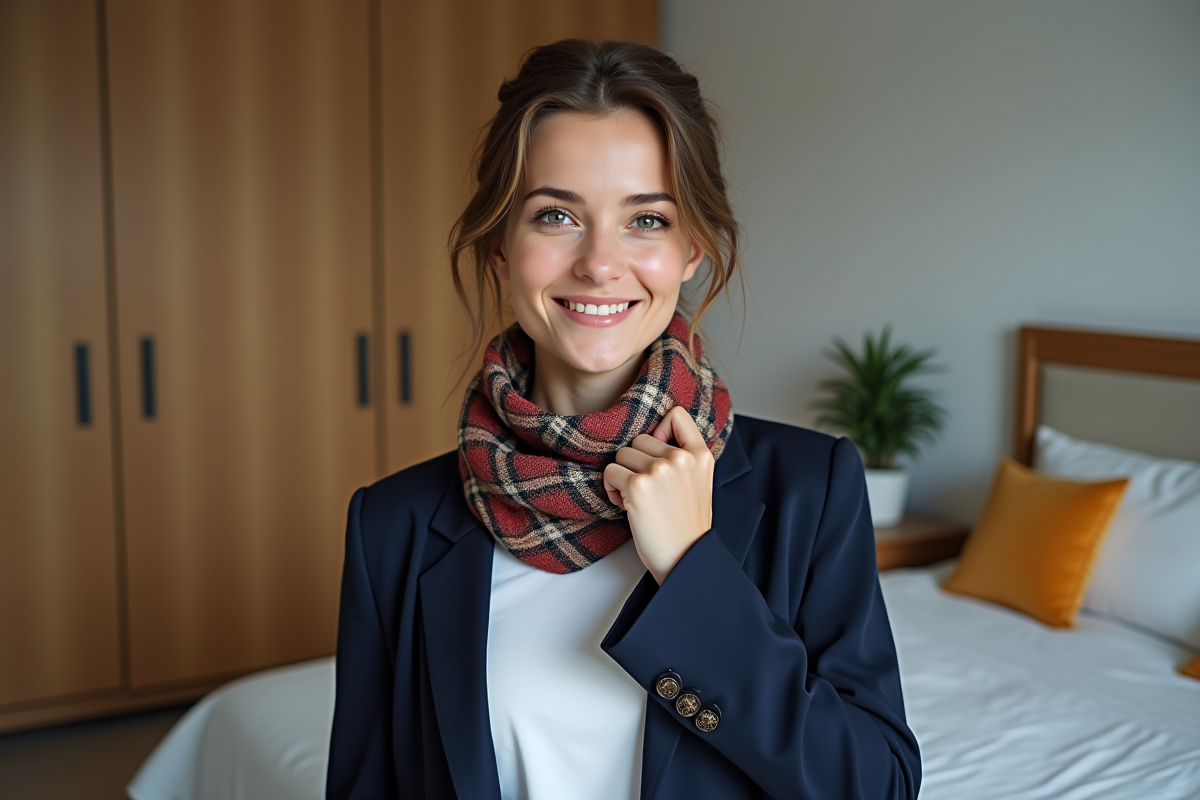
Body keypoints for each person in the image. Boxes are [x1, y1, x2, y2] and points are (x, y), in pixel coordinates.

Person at [326, 38, 921, 800]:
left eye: (645, 221)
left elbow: (878, 788)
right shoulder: (393, 528)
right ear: (503, 248)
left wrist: (695, 570)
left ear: (693, 249)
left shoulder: (813, 487)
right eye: (555, 216)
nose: (600, 263)